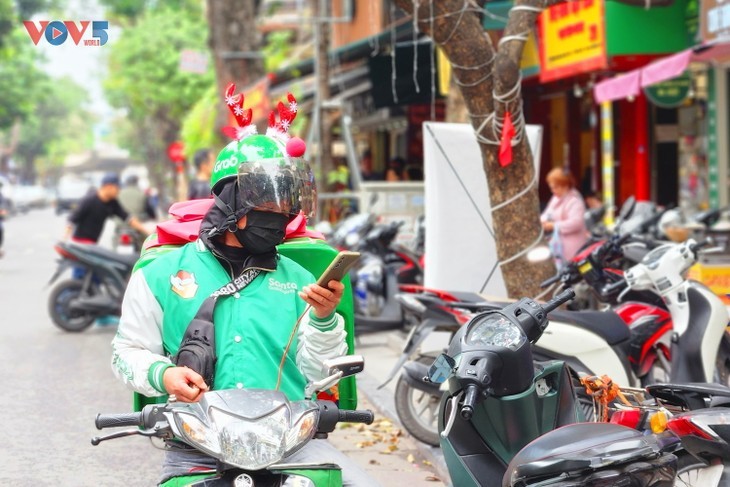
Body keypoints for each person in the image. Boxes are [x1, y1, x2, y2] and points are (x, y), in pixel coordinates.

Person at [110, 96, 377, 486]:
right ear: (229, 198)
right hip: (196, 442)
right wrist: (163, 374)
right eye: (266, 198)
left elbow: (321, 375)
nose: (281, 213)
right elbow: (126, 351)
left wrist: (322, 319)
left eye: (287, 201)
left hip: (291, 444)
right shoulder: (160, 274)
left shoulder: (302, 279)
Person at [65, 173, 150, 245]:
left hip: (93, 244)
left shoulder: (112, 202)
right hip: (80, 243)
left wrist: (147, 231)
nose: (119, 191)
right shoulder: (89, 200)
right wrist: (64, 240)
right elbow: (71, 220)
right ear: (108, 187)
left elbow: (128, 218)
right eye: (117, 188)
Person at [540, 167, 588, 268]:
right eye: (551, 188)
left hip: (573, 246)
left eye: (556, 187)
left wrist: (554, 225)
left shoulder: (574, 200)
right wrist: (542, 221)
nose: (553, 191)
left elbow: (576, 223)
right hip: (558, 245)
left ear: (565, 185)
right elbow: (547, 213)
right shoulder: (556, 198)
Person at [116, 174, 156, 250]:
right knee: (146, 244)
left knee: (115, 239)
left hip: (120, 226)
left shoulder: (118, 193)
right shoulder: (142, 194)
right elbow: (149, 210)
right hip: (137, 227)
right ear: (136, 182)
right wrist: (153, 217)